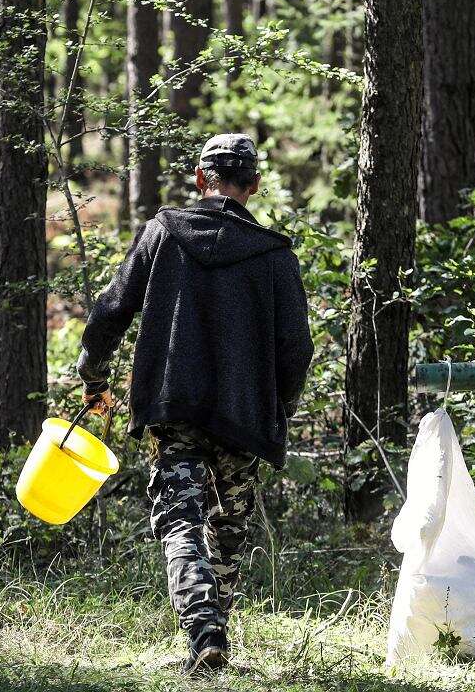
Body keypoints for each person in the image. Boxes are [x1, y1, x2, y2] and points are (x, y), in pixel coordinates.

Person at [76, 133, 314, 674]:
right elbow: (296, 349)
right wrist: (278, 407)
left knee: (179, 520)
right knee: (227, 527)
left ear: (202, 180)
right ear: (253, 185)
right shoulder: (275, 256)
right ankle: (215, 635)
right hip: (243, 415)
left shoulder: (164, 232)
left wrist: (94, 372)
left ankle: (203, 630)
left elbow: (112, 309)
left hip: (174, 404)